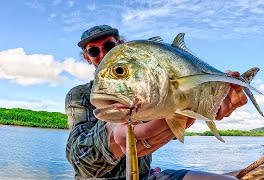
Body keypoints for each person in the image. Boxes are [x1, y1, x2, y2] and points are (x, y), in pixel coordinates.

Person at [65, 25, 246, 180]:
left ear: (120, 44)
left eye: (109, 45)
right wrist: (110, 138)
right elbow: (78, 158)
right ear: (86, 57)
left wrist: (210, 104)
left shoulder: (149, 86)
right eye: (94, 51)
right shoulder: (79, 95)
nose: (103, 53)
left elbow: (175, 120)